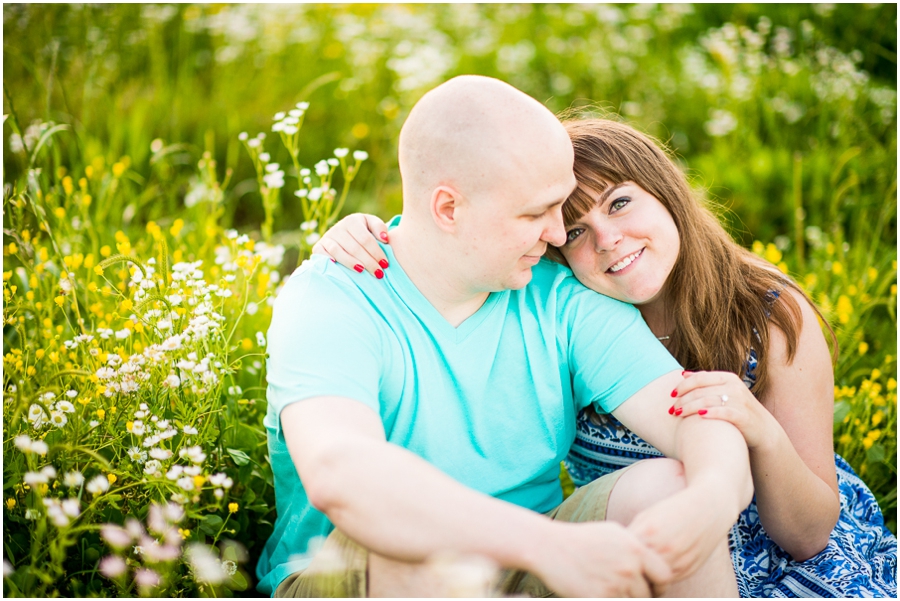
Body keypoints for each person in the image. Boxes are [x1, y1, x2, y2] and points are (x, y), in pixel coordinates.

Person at [319, 116, 898, 598]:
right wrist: (367, 232)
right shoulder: (561, 306)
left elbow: (808, 534)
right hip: (640, 543)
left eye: (620, 204)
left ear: (667, 192)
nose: (607, 239)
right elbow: (459, 241)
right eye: (573, 230)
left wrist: (762, 434)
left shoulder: (769, 319)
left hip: (783, 552)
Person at [258, 75, 754, 598]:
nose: (559, 234)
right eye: (534, 213)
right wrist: (546, 547)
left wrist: (715, 495)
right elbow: (343, 474)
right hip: (349, 573)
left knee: (665, 489)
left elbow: (691, 412)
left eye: (559, 206)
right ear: (448, 209)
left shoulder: (557, 296)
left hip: (527, 566)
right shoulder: (334, 298)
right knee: (415, 555)